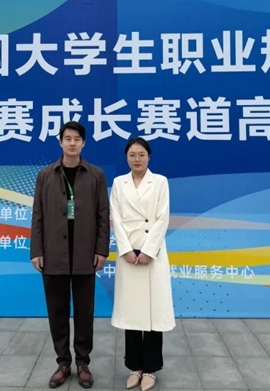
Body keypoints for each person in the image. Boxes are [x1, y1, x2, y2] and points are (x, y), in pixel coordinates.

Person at [30, 121, 110, 389]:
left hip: (85, 255)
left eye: (77, 139)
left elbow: (103, 215)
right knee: (57, 311)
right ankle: (63, 362)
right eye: (67, 138)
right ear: (60, 142)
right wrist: (37, 250)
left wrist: (101, 249)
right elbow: (37, 216)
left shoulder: (96, 174)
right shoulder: (45, 175)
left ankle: (83, 363)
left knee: (85, 313)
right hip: (54, 255)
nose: (72, 143)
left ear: (83, 143)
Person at [110, 137, 176, 391]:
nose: (136, 159)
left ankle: (150, 368)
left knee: (152, 314)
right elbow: (116, 217)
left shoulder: (159, 182)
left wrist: (148, 251)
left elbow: (162, 218)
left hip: (152, 254)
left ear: (149, 157)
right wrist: (126, 250)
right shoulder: (119, 183)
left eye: (141, 154)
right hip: (128, 255)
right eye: (132, 155)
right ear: (126, 157)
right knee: (132, 313)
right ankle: (134, 367)